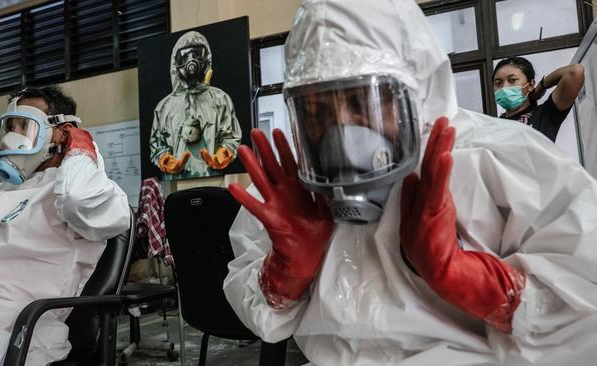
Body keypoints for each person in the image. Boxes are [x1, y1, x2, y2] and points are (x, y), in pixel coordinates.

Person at [223, 1, 597, 365]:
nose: (341, 134)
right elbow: (258, 313)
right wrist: (284, 273)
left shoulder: (498, 158)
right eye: (317, 111)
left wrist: (472, 279)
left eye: (361, 102)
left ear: (415, 88)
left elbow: (585, 308)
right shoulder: (291, 193)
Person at [0, 85, 130, 366]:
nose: (12, 137)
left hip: (2, 324)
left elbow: (78, 198)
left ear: (61, 132)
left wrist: (81, 150)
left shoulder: (71, 194)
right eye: (10, 127)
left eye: (25, 126)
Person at [149, 31, 242, 180]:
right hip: (176, 186)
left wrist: (223, 154)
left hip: (214, 182)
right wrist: (166, 160)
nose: (191, 62)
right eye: (184, 57)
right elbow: (156, 144)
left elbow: (231, 138)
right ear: (175, 63)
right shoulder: (164, 107)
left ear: (207, 58)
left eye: (197, 54)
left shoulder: (220, 100)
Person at [493, 56, 585, 141]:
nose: (504, 87)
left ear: (531, 84)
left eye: (512, 80)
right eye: (498, 83)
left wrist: (541, 86)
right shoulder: (493, 126)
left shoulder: (544, 115)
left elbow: (575, 71)